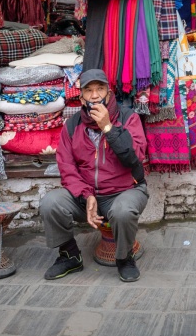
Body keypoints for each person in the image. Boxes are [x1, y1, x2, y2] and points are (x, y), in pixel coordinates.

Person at [39, 69, 148, 282]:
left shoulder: (128, 118)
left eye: (100, 89)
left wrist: (108, 127)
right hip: (86, 196)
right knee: (50, 203)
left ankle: (125, 258)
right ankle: (69, 255)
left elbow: (134, 157)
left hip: (124, 191)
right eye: (88, 91)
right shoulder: (72, 126)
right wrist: (86, 194)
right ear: (81, 98)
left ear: (109, 93)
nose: (95, 95)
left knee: (123, 211)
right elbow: (67, 168)